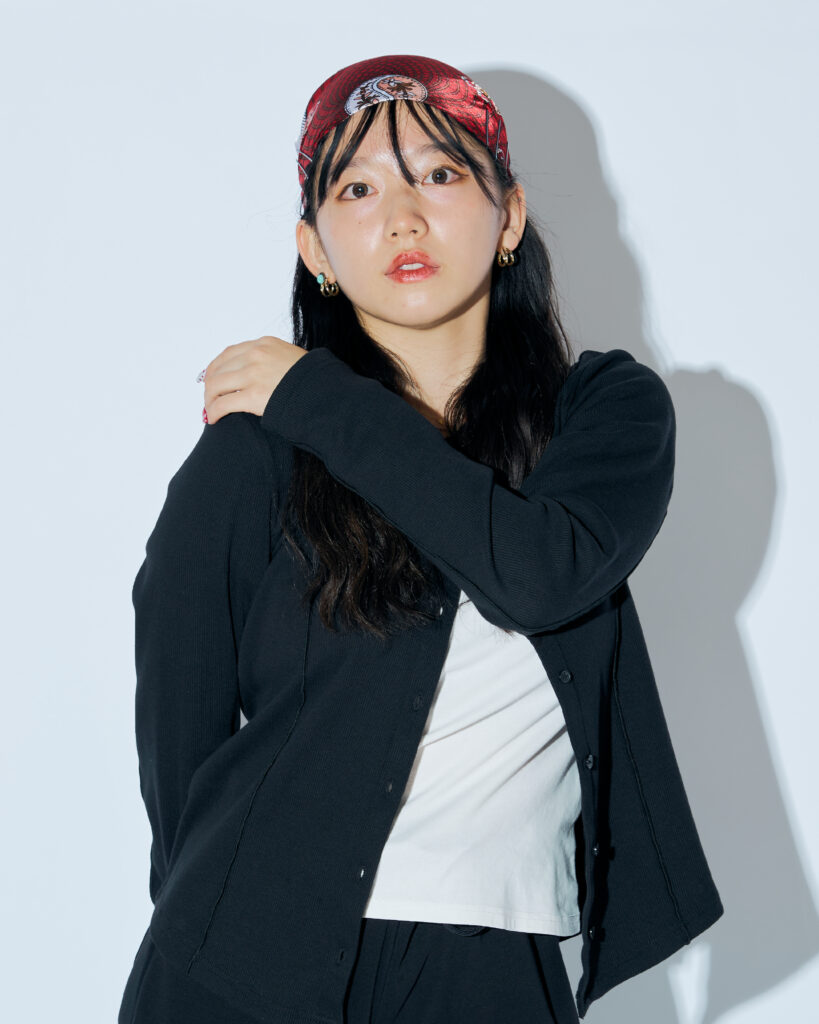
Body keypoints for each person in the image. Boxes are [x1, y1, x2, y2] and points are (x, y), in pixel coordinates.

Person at [118, 54, 723, 1024]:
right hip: (244, 965)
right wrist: (214, 918)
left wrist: (316, 395)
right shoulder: (255, 451)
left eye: (439, 174)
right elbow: (177, 715)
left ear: (509, 216)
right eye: (357, 189)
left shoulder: (601, 414)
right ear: (315, 249)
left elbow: (541, 572)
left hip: (493, 966)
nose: (401, 217)